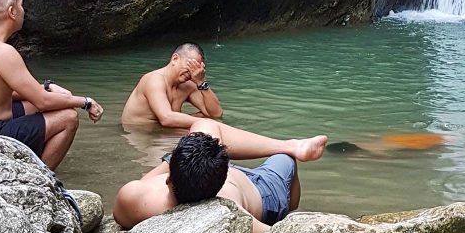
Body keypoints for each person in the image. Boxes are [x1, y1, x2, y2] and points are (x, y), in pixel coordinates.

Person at [121, 42, 328, 163]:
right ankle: (288, 146)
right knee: (208, 129)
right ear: (174, 58)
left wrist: (201, 82)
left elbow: (215, 113)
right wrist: (209, 126)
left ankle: (288, 147)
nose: (191, 71)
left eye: (197, 67)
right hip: (142, 138)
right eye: (189, 65)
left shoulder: (188, 84)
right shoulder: (153, 79)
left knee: (207, 121)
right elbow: (166, 118)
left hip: (164, 134)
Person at [0, 0, 104, 168]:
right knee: (67, 118)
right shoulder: (2, 52)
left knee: (34, 104)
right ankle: (39, 183)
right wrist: (85, 102)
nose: (23, 11)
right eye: (21, 5)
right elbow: (44, 102)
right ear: (12, 12)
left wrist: (47, 87)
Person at [113, 121, 305, 233]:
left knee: (205, 125)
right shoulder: (230, 212)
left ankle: (289, 146)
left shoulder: (133, 197)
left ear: (169, 178)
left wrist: (177, 160)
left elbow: (123, 213)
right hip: (263, 189)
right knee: (285, 158)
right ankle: (290, 148)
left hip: (208, 174)